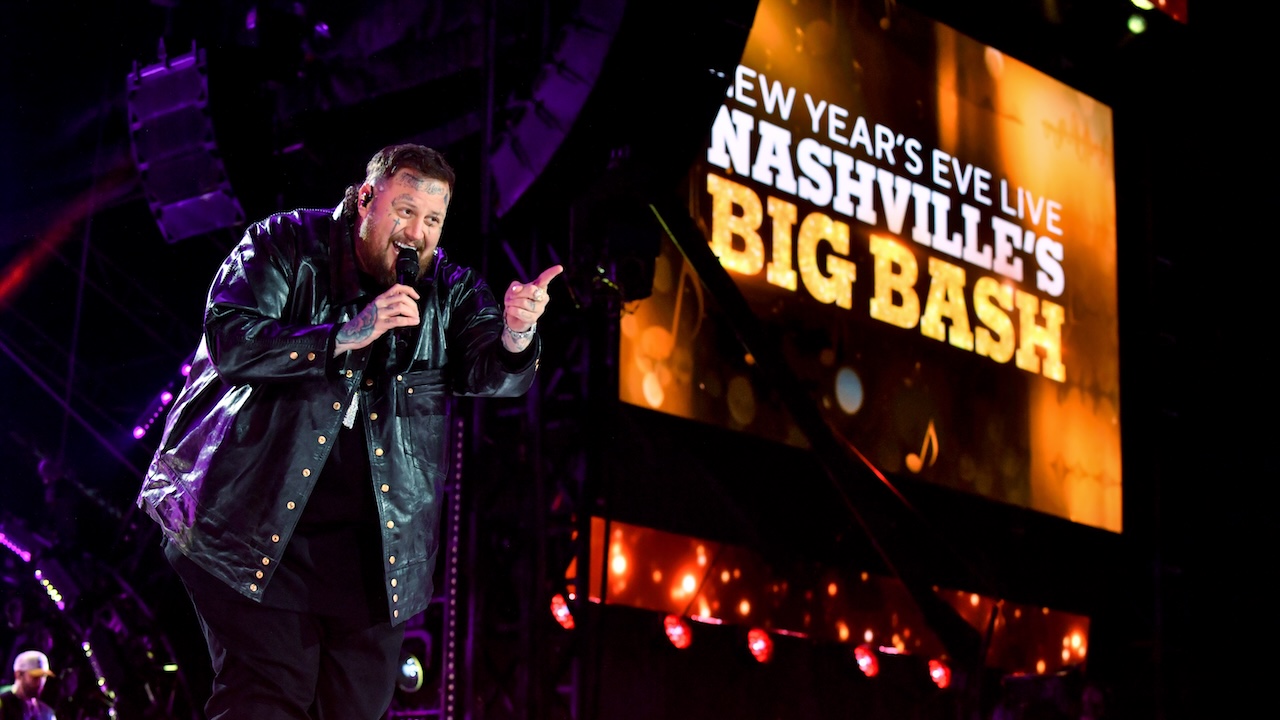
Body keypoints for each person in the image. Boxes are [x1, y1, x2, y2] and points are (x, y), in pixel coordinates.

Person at [137, 143, 562, 719]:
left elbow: (494, 372)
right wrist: (340, 334)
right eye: (405, 211)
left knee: (353, 707)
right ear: (366, 199)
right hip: (253, 529)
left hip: (371, 556)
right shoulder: (284, 244)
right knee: (267, 695)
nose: (417, 232)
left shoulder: (452, 290)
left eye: (432, 220)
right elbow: (231, 336)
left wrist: (516, 332)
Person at [0, 650, 57, 720]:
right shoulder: (3, 703)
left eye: (43, 676)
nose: (40, 682)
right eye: (35, 677)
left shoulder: (47, 713)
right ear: (18, 674)